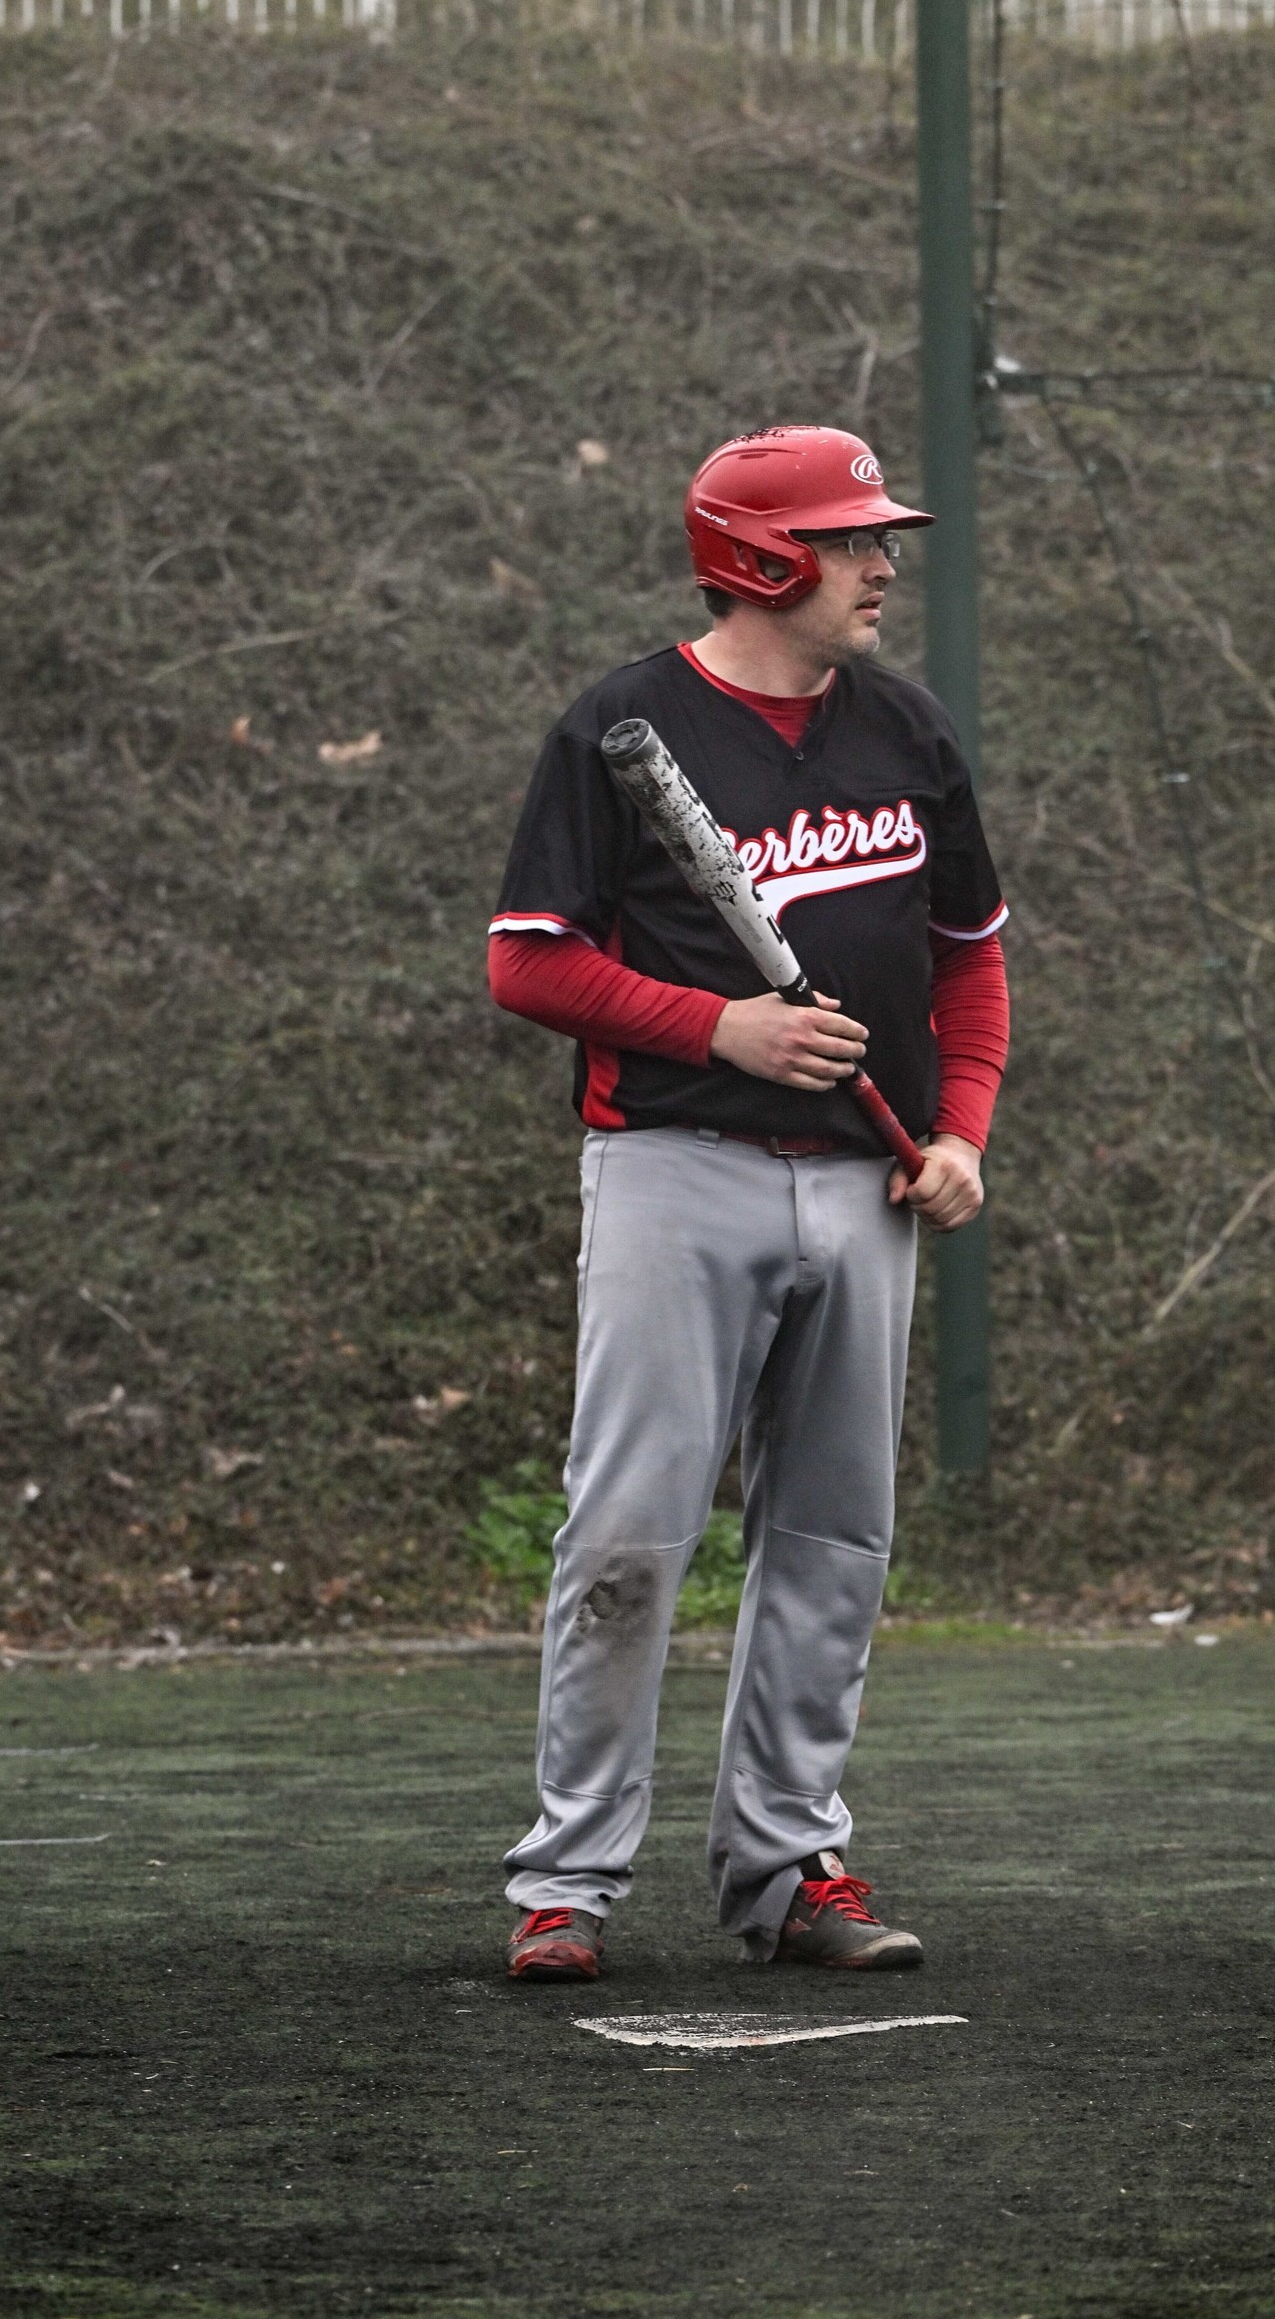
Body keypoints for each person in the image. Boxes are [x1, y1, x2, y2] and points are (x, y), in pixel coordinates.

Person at [487, 424, 1009, 1980]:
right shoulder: (621, 727)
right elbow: (531, 960)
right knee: (633, 1535)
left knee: (837, 1538)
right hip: (674, 1171)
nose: (881, 567)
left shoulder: (906, 733)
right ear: (764, 560)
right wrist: (721, 1026)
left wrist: (961, 1130)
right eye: (853, 541)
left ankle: (789, 1868)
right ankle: (566, 1885)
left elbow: (967, 956)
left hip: (869, 1186)